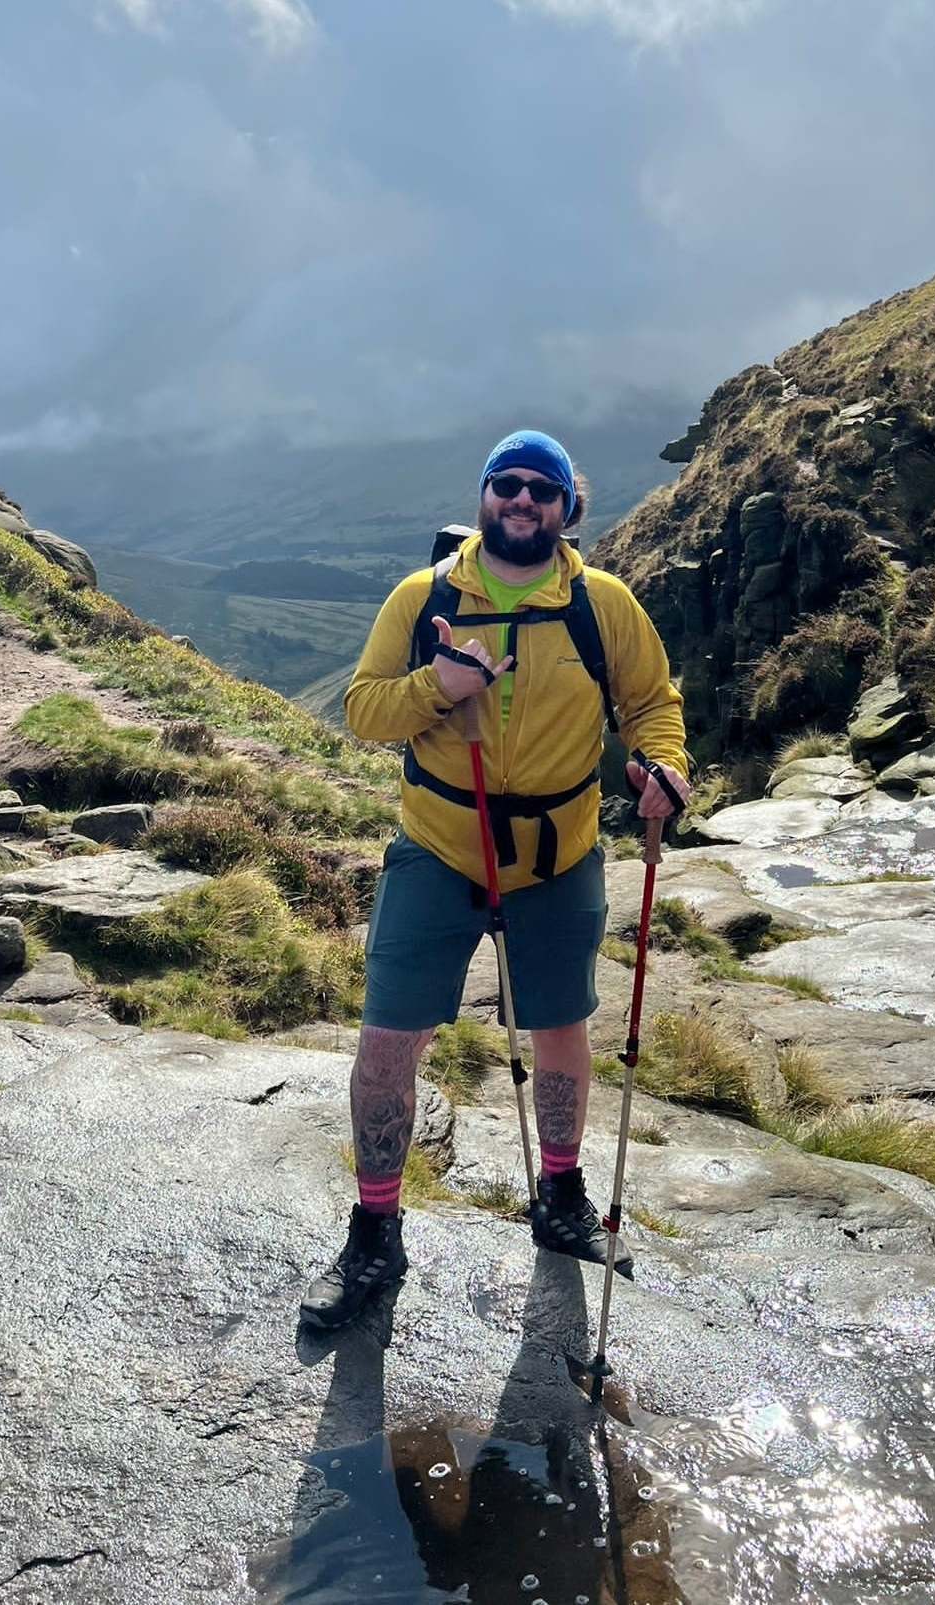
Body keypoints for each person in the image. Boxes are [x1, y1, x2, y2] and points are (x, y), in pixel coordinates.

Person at [300, 429, 690, 1331]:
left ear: (567, 510)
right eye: (506, 486)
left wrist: (661, 765)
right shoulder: (424, 597)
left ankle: (560, 1199)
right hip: (439, 844)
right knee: (389, 1042)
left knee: (559, 1029)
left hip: (559, 852)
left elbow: (650, 703)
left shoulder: (603, 604)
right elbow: (364, 709)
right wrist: (437, 686)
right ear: (484, 497)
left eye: (541, 491)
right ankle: (374, 1230)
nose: (522, 501)